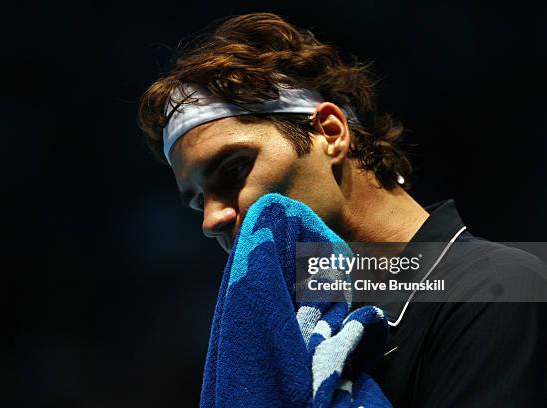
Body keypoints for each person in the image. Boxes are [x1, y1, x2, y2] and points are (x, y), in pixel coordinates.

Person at [138, 12, 546, 407]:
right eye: (197, 201)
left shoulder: (500, 288)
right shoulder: (302, 335)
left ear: (330, 133)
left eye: (233, 169)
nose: (212, 220)